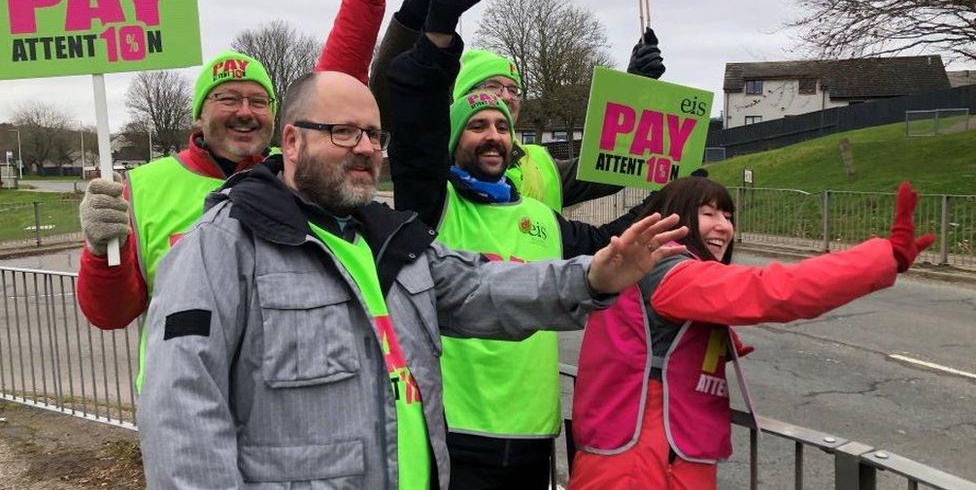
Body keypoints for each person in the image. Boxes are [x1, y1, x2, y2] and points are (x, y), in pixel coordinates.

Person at [136, 70, 689, 489]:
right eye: (343, 131)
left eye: (374, 135)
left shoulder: (388, 240)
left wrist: (592, 278)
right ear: (294, 141)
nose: (365, 148)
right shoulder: (221, 245)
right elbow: (181, 415)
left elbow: (481, 289)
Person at [386, 0, 660, 486]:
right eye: (477, 122)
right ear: (452, 132)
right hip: (455, 431)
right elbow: (414, 123)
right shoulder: (433, 204)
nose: (494, 132)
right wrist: (440, 24)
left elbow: (613, 243)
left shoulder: (540, 214)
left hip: (534, 436)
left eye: (504, 121)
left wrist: (674, 193)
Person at [76, 0, 390, 338]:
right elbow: (111, 315)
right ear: (198, 117)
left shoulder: (290, 172)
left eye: (258, 101)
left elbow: (333, 83)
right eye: (228, 98)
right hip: (185, 392)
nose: (245, 111)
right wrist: (102, 252)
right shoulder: (140, 189)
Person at [568, 178, 935, 490]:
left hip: (656, 459)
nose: (724, 226)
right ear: (672, 220)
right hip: (642, 467)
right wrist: (885, 258)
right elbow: (772, 290)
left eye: (728, 216)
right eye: (709, 213)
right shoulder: (670, 272)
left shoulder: (654, 270)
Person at [370, 0, 667, 211]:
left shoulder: (540, 163)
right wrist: (426, 0)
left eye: (514, 90)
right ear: (461, 99)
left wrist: (635, 87)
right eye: (493, 86)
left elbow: (609, 169)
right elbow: (394, 97)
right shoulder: (432, 150)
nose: (507, 97)